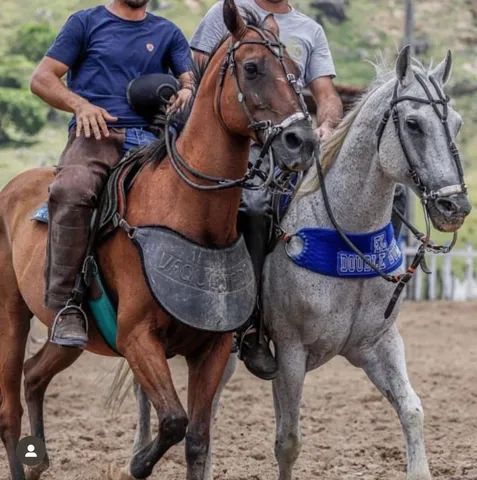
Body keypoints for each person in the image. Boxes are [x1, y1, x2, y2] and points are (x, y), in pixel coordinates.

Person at [190, 0, 343, 380]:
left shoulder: (310, 30)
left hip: (291, 144)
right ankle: (251, 329)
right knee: (257, 207)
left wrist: (327, 125)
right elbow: (193, 73)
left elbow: (326, 96)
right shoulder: (226, 15)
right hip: (238, 146)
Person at [30, 0, 193, 349]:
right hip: (97, 135)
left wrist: (186, 92)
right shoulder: (85, 23)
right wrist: (81, 105)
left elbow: (188, 78)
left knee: (206, 194)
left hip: (154, 139)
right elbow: (42, 78)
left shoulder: (168, 31)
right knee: (72, 189)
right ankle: (68, 304)